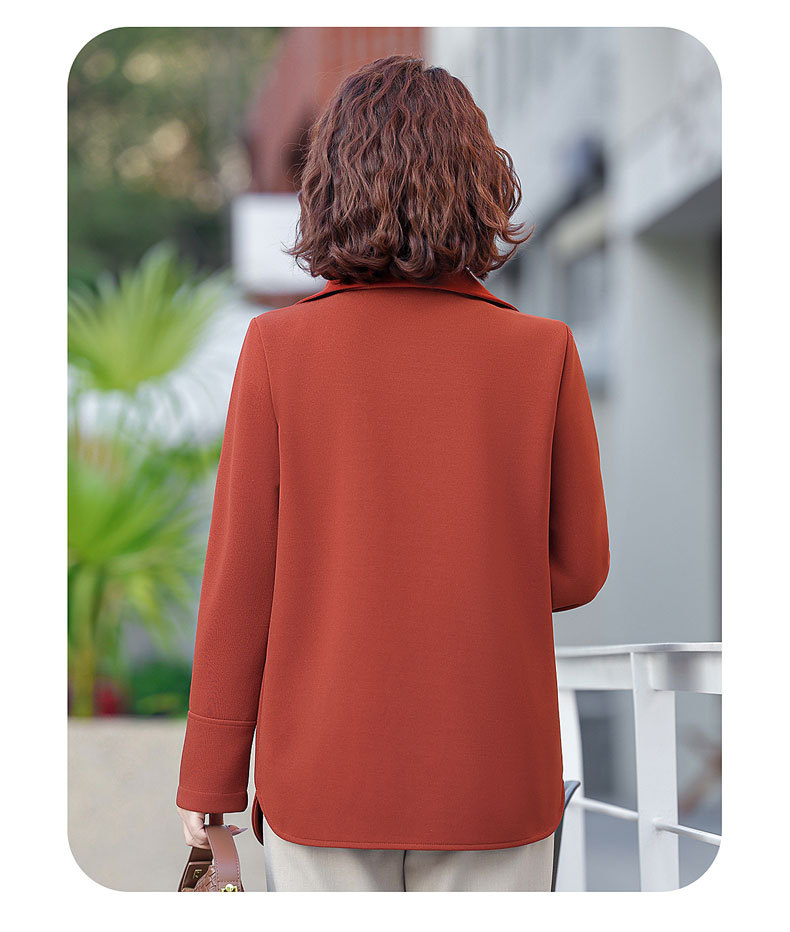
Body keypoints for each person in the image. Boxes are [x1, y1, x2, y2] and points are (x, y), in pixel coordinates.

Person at [176, 53, 609, 892]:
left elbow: (241, 581)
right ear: (480, 185)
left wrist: (210, 778)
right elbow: (579, 569)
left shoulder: (278, 349)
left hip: (322, 776)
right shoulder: (542, 351)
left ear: (329, 185)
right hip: (492, 777)